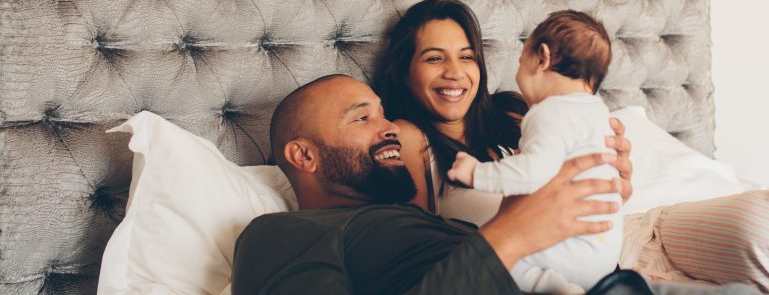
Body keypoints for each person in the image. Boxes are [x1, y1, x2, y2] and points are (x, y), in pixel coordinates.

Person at [372, 0, 769, 294]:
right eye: (434, 58)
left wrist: (620, 176)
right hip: (590, 276)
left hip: (640, 229)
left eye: (467, 57)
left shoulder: (520, 114)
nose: (456, 73)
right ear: (405, 70)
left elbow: (603, 181)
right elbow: (419, 245)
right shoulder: (407, 143)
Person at [230, 75, 625, 294]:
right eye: (362, 119)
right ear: (304, 156)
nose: (390, 129)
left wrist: (591, 200)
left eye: (384, 116)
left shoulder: (435, 225)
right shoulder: (280, 234)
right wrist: (508, 238)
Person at [447, 10, 622, 293]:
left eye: (520, 61)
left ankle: (557, 289)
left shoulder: (548, 112)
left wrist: (476, 172)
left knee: (500, 263)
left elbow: (530, 175)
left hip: (570, 248)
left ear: (542, 58)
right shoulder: (598, 113)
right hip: (604, 249)